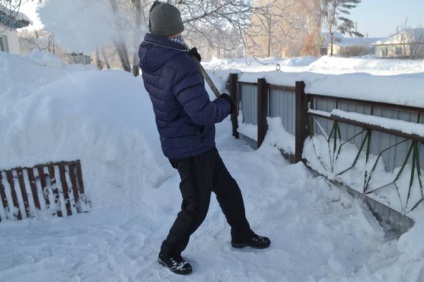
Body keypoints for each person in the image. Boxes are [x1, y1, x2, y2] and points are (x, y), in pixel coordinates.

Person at [138, 1, 270, 275]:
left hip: (188, 141)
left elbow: (175, 89)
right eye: (178, 33)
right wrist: (226, 104)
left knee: (228, 189)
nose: (181, 37)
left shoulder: (153, 56)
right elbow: (202, 113)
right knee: (196, 207)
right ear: (174, 32)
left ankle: (241, 234)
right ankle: (168, 252)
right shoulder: (179, 64)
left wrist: (189, 63)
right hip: (190, 146)